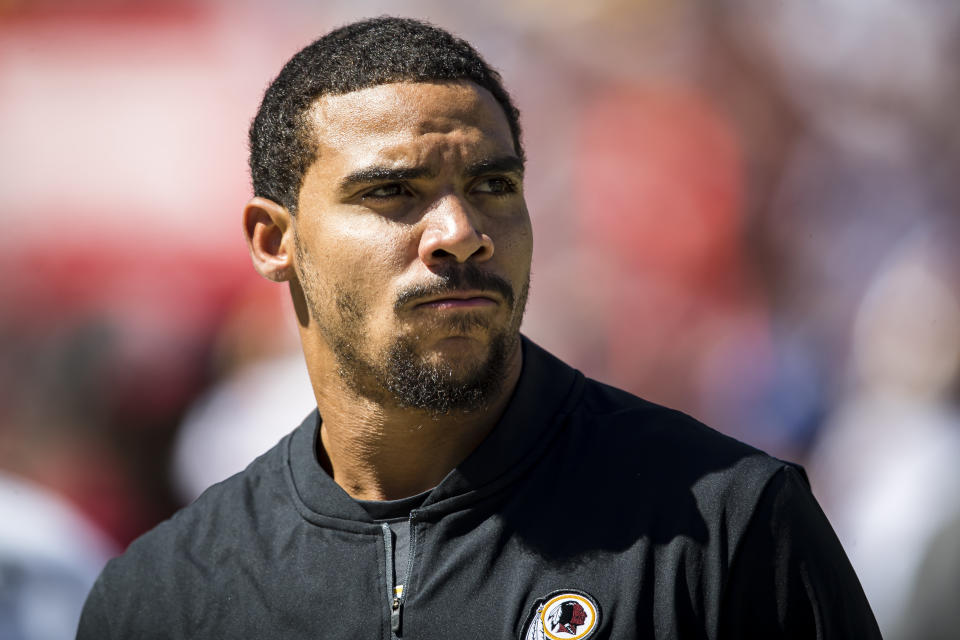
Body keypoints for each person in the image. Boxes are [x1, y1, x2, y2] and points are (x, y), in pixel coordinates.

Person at [76, 17, 880, 639]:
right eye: (393, 192)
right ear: (274, 241)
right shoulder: (166, 592)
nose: (461, 231)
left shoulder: (729, 528)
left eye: (494, 184)